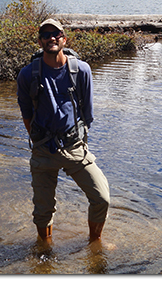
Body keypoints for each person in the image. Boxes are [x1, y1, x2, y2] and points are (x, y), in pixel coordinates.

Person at [16, 19, 110, 246]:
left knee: (101, 198)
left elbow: (87, 114)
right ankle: (45, 249)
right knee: (42, 211)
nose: (51, 38)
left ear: (64, 39)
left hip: (75, 148)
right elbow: (26, 115)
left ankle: (95, 243)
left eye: (56, 34)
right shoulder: (27, 75)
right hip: (43, 151)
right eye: (46, 35)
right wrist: (39, 141)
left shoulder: (82, 70)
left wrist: (76, 138)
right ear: (40, 42)